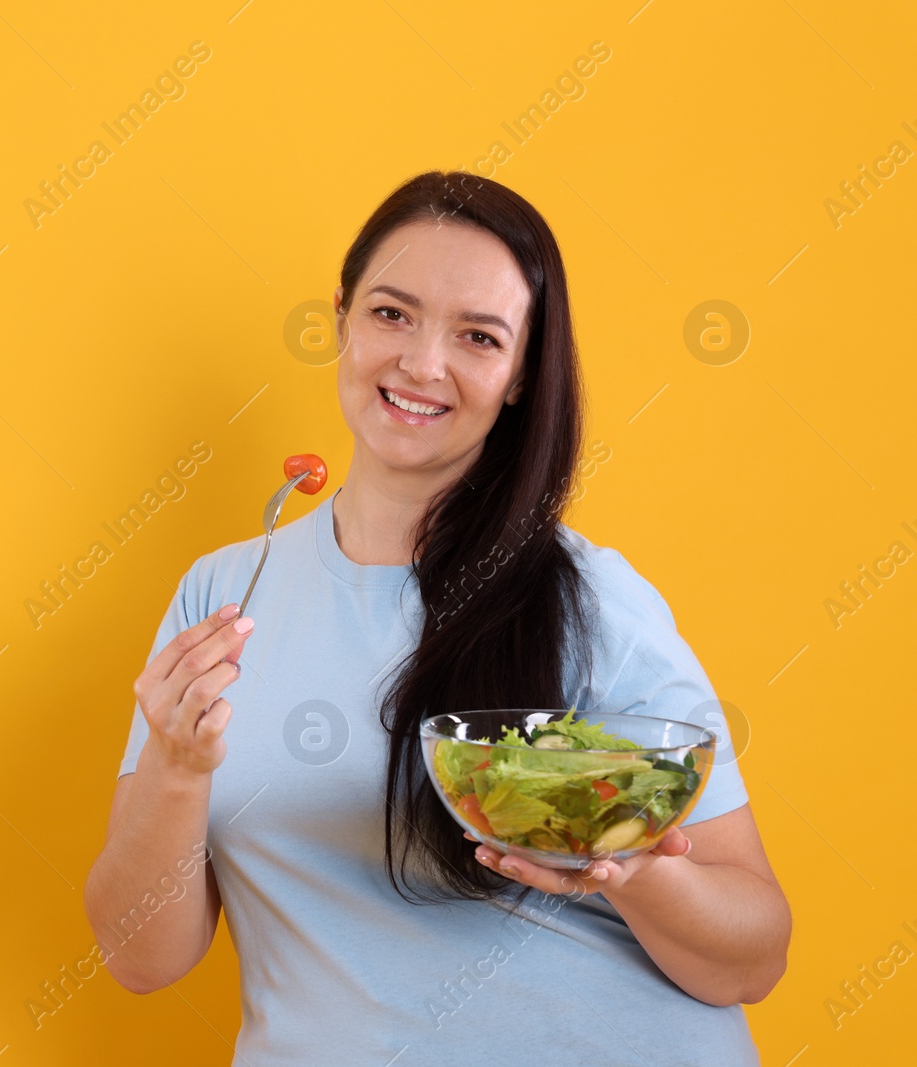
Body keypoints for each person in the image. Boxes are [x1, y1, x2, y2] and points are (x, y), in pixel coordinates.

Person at [83, 171, 790, 1065]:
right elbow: (141, 958)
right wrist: (177, 769)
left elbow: (756, 954)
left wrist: (632, 868)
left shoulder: (587, 597)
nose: (422, 363)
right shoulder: (225, 593)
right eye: (391, 313)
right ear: (340, 316)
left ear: (521, 374)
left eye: (479, 336)